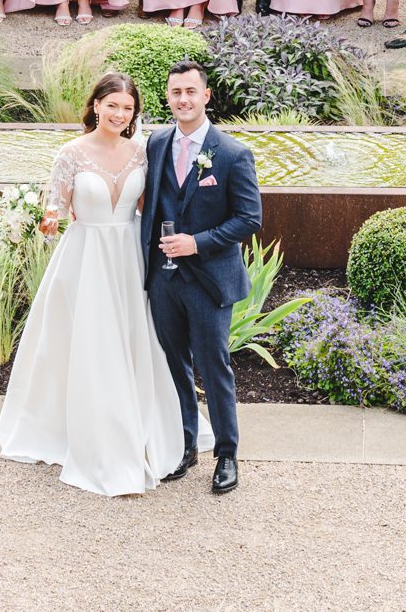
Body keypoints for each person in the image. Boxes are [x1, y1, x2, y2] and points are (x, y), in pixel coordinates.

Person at [0, 72, 199, 497]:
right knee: (86, 341)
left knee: (131, 337)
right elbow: (54, 212)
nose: (119, 114)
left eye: (127, 108)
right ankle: (84, 428)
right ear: (95, 106)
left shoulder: (143, 153)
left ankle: (139, 424)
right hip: (85, 256)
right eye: (112, 105)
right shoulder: (69, 154)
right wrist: (38, 220)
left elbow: (148, 208)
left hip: (128, 255)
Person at [140, 61, 262, 495]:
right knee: (174, 365)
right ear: (168, 97)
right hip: (164, 280)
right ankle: (185, 444)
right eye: (176, 92)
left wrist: (198, 242)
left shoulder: (231, 153)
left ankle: (226, 453)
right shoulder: (155, 143)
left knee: (214, 367)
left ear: (206, 96)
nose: (183, 100)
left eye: (191, 91)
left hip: (209, 280)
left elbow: (250, 218)